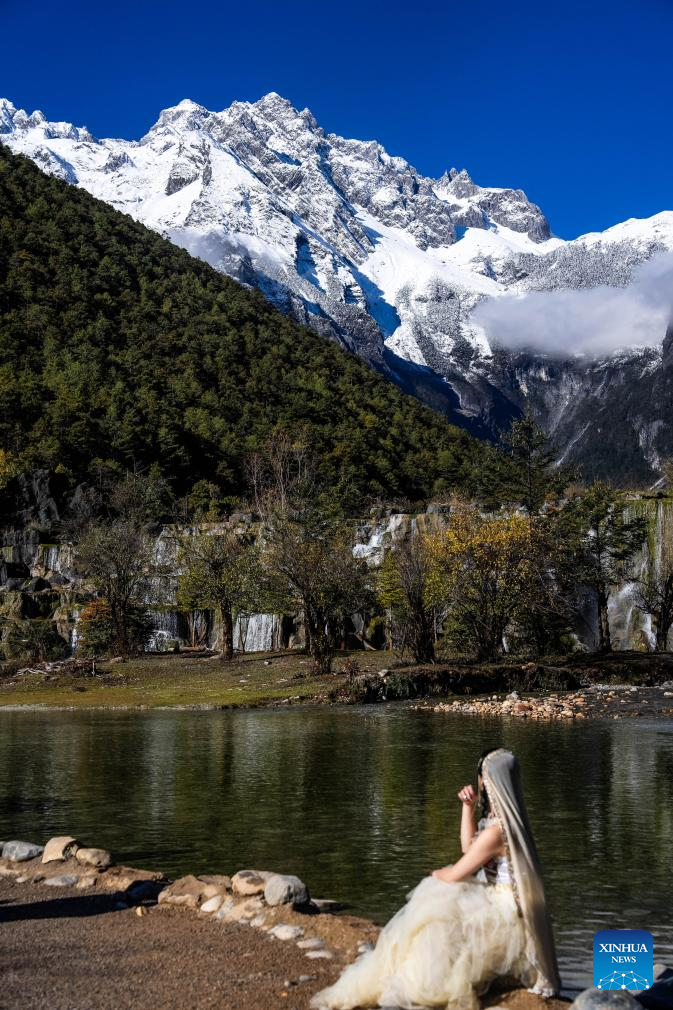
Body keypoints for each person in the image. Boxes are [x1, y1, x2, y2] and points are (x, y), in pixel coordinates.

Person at [310, 747, 561, 1010]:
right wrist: (468, 807)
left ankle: (423, 980)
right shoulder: (505, 822)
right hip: (500, 896)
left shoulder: (496, 832)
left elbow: (455, 873)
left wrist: (434, 875)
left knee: (436, 894)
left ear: (488, 781)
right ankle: (421, 969)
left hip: (504, 908)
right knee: (445, 899)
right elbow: (468, 849)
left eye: (481, 775)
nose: (479, 781)